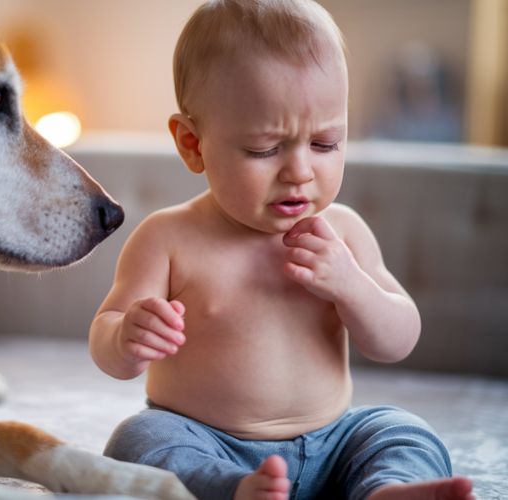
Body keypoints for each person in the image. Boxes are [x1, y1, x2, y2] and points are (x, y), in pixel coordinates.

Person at [88, 1, 474, 499]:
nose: (299, 171)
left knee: (402, 431)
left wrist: (352, 286)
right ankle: (234, 489)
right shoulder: (167, 238)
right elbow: (107, 339)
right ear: (192, 143)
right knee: (137, 439)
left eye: (325, 143)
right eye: (264, 149)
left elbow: (397, 340)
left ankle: (383, 490)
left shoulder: (344, 233)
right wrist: (124, 338)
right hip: (205, 440)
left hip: (335, 441)